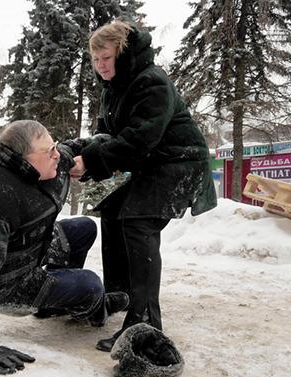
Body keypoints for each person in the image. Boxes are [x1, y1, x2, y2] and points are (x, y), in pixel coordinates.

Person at [0, 120, 129, 375]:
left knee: (84, 228)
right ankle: (95, 309)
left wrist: (110, 146)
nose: (57, 155)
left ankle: (56, 304)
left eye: (54, 147)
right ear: (23, 160)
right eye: (49, 151)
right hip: (6, 282)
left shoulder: (50, 161)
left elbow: (76, 147)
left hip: (28, 246)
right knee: (91, 284)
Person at [69, 20, 217, 352]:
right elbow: (107, 137)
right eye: (95, 60)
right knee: (112, 211)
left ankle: (144, 323)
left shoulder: (152, 83)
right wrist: (76, 151)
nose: (101, 66)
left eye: (106, 58)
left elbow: (137, 140)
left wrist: (92, 161)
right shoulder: (113, 89)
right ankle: (120, 296)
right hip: (151, 162)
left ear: (122, 53)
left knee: (138, 222)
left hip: (179, 163)